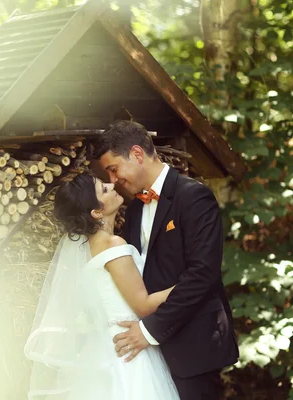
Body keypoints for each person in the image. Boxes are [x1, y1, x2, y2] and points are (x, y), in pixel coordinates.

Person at [92, 120, 239, 400]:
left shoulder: (194, 197)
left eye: (113, 169)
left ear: (137, 154)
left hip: (193, 346)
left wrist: (149, 331)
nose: (113, 180)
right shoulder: (135, 209)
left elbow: (203, 274)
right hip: (148, 357)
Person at [24, 171, 180, 400]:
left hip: (104, 350)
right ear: (96, 212)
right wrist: (188, 284)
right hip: (128, 348)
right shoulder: (112, 244)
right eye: (104, 189)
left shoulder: (85, 249)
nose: (112, 184)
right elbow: (144, 305)